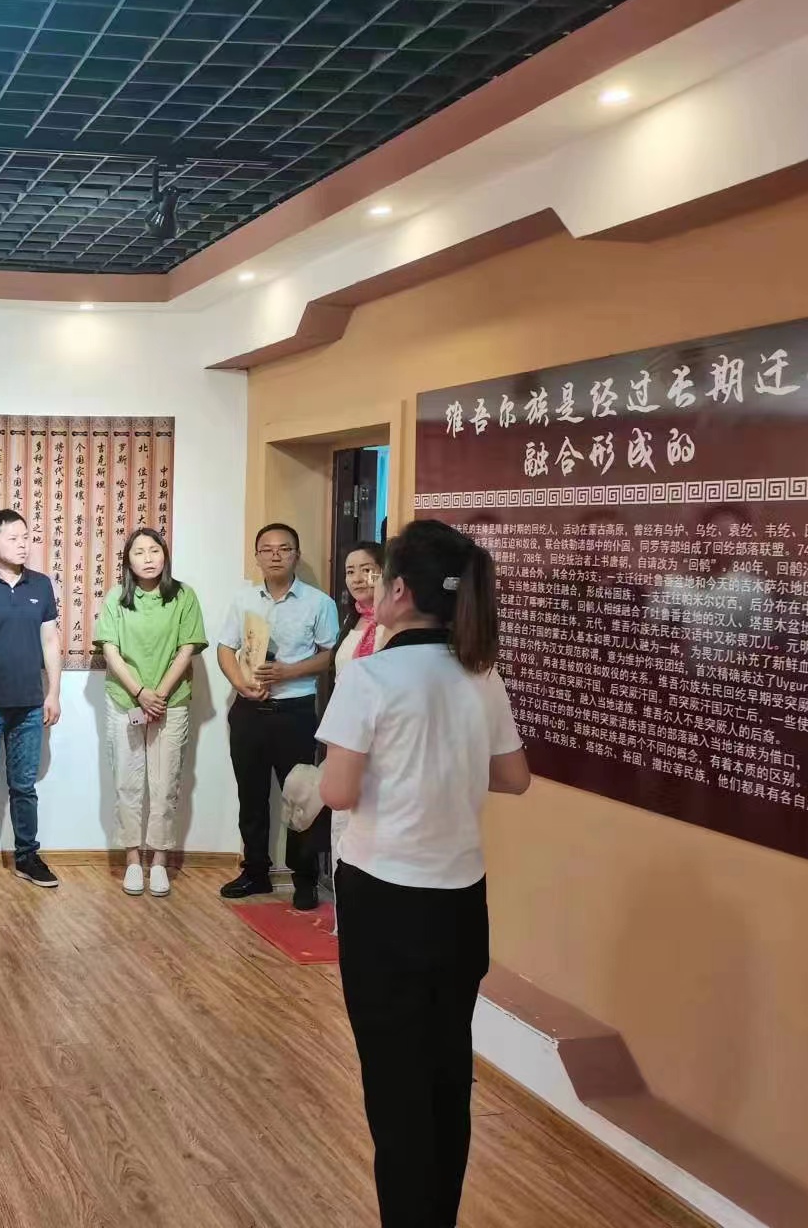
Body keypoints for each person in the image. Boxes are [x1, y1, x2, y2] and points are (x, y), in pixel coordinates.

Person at [317, 519, 530, 1228]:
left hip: (384, 901)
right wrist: (446, 765)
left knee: (395, 1087)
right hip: (461, 903)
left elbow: (337, 792)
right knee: (445, 1076)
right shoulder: (481, 674)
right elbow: (515, 777)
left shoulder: (369, 676)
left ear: (400, 590)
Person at [216, 522, 340, 909]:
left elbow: (329, 655)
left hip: (295, 712)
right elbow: (225, 648)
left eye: (284, 549)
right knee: (251, 795)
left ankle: (304, 879)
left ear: (296, 556)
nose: (275, 555)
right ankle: (255, 872)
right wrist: (240, 684)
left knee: (301, 796)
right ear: (257, 557)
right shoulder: (243, 600)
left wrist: (289, 671)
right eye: (267, 549)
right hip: (249, 710)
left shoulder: (319, 603)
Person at [95, 528, 207, 897]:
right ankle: (132, 859)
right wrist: (140, 692)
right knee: (126, 782)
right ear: (128, 561)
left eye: (154, 550)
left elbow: (187, 648)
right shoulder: (116, 598)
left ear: (165, 555)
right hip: (125, 700)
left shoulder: (184, 596)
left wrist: (158, 694)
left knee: (165, 783)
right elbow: (110, 650)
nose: (147, 558)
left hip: (170, 702)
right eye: (139, 552)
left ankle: (159, 861)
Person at [0, 509, 62, 891]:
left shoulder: (41, 585)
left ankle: (27, 857)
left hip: (30, 704)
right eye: (13, 538)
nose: (23, 545)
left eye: (26, 537)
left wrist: (53, 693)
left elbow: (50, 641)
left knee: (24, 786)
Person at [331, 541, 386, 868]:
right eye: (350, 571)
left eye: (367, 570)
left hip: (379, 741)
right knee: (342, 828)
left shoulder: (393, 627)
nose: (357, 578)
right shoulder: (351, 621)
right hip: (345, 736)